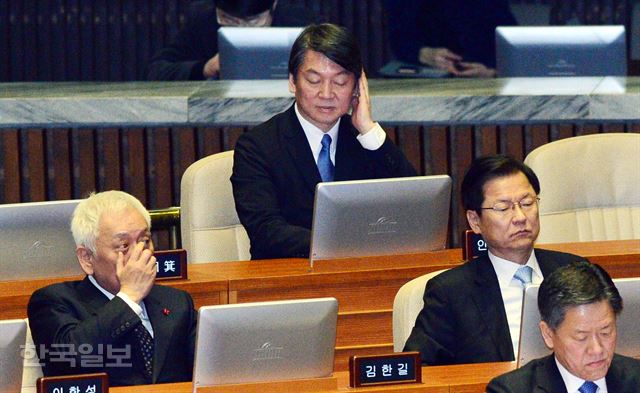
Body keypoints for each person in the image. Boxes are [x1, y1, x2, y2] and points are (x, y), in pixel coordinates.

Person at [230, 23, 417, 260]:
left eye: (340, 82)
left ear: (358, 86)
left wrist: (369, 130)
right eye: (314, 80)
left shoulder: (365, 141)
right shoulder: (257, 146)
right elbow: (266, 230)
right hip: (289, 278)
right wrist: (345, 244)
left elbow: (414, 210)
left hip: (361, 276)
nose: (327, 94)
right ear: (292, 81)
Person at [403, 154, 583, 365]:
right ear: (475, 221)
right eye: (503, 208)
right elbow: (417, 369)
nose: (520, 217)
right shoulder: (451, 293)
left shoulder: (576, 271)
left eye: (527, 203)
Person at [27, 191, 196, 386]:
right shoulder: (54, 302)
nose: (139, 253)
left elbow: (208, 370)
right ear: (87, 258)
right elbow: (69, 359)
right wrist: (129, 297)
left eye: (144, 240)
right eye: (123, 246)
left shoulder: (176, 302)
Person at [487, 261, 640, 392]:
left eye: (606, 332)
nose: (597, 349)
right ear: (548, 334)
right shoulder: (511, 390)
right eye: (581, 337)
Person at [147, 0, 315, 80]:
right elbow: (155, 71)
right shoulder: (203, 22)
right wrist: (204, 68)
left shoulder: (300, 23)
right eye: (229, 21)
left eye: (253, 22)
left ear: (274, 5)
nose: (241, 29)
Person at [384, 0, 517, 77]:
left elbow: (511, 41)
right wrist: (424, 54)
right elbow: (399, 38)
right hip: (431, 79)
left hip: (484, 79)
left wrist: (492, 72)